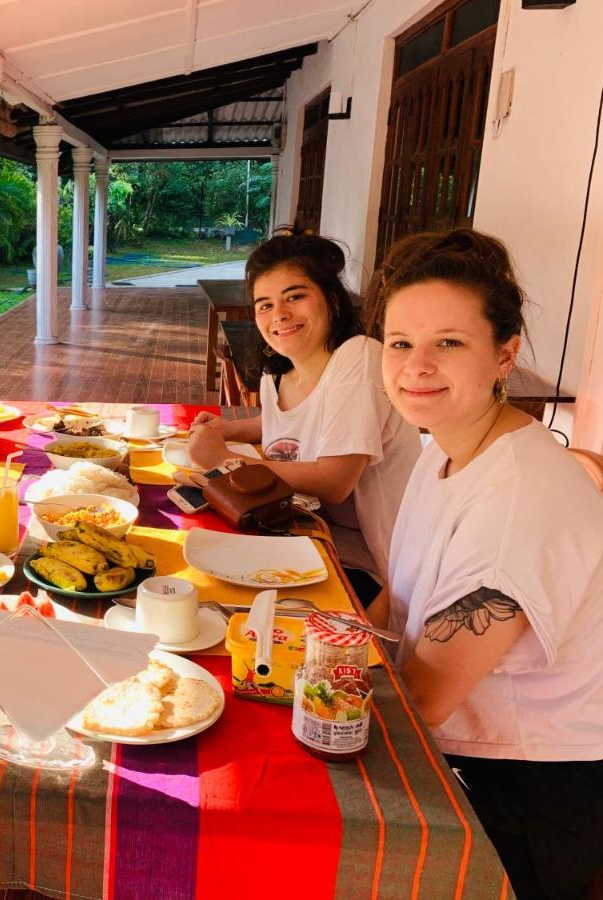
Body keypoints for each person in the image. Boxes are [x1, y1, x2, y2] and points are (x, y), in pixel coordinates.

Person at [366, 228, 603, 899]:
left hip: (524, 792)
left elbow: (423, 700)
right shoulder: (444, 448)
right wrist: (324, 642)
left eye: (449, 342)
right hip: (462, 750)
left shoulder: (520, 498)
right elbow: (397, 600)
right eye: (400, 343)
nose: (416, 366)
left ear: (505, 354)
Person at [188, 229, 421, 593]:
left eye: (295, 296)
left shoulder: (359, 358)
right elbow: (286, 421)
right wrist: (228, 429)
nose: (279, 314)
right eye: (265, 305)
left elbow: (334, 481)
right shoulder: (278, 369)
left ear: (332, 300)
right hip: (308, 535)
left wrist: (227, 459)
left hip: (375, 563)